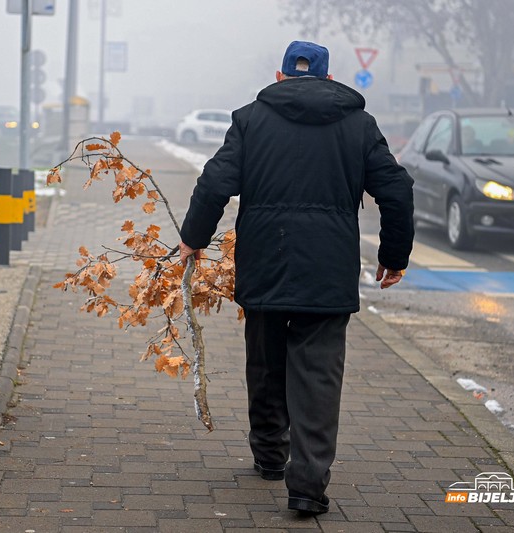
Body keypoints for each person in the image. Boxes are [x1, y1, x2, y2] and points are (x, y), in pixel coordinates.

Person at [179, 41, 414, 515]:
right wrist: (393, 255)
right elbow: (396, 190)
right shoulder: (360, 125)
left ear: (280, 76)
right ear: (329, 79)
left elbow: (215, 182)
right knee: (319, 375)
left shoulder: (250, 119)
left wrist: (194, 238)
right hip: (328, 269)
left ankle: (269, 456)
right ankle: (306, 485)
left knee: (265, 359)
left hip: (268, 257)